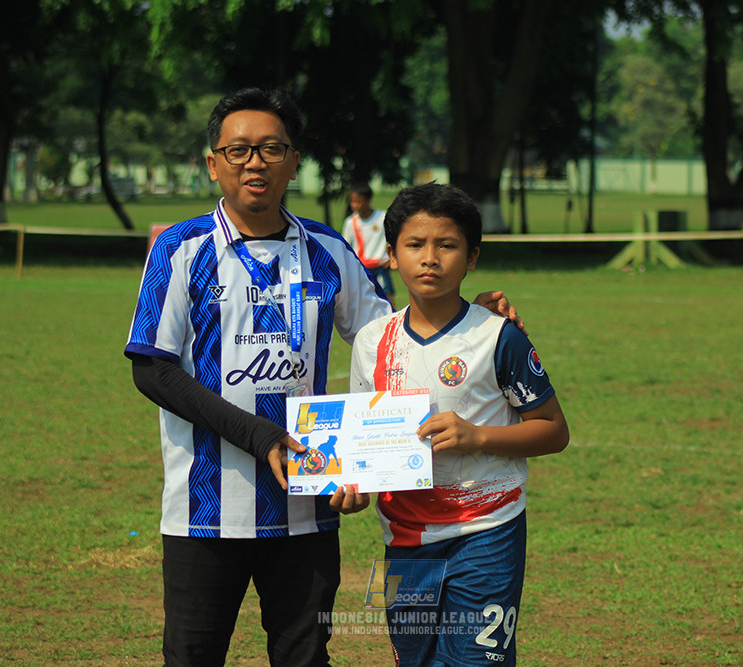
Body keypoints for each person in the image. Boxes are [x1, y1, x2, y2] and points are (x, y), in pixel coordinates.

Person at [125, 87, 522, 667]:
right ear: (213, 164)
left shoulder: (327, 250)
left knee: (304, 658)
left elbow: (395, 337)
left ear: (294, 161)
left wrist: (471, 317)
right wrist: (261, 436)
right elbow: (152, 371)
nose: (255, 163)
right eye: (238, 150)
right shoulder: (179, 249)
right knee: (191, 657)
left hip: (308, 512)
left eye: (271, 148)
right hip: (203, 512)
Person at [332, 182, 568, 666]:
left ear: (471, 257)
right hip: (403, 539)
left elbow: (553, 429)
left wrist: (477, 436)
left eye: (447, 245)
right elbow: (364, 445)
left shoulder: (497, 336)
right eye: (415, 244)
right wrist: (352, 486)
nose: (430, 258)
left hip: (487, 531)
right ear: (391, 255)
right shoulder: (372, 341)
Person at [341, 182, 395, 308]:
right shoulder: (351, 222)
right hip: (361, 268)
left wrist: (392, 256)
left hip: (380, 266)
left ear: (368, 201)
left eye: (358, 201)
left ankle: (394, 318)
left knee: (387, 297)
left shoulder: (383, 217)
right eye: (352, 201)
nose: (354, 205)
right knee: (361, 301)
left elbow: (395, 237)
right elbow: (345, 246)